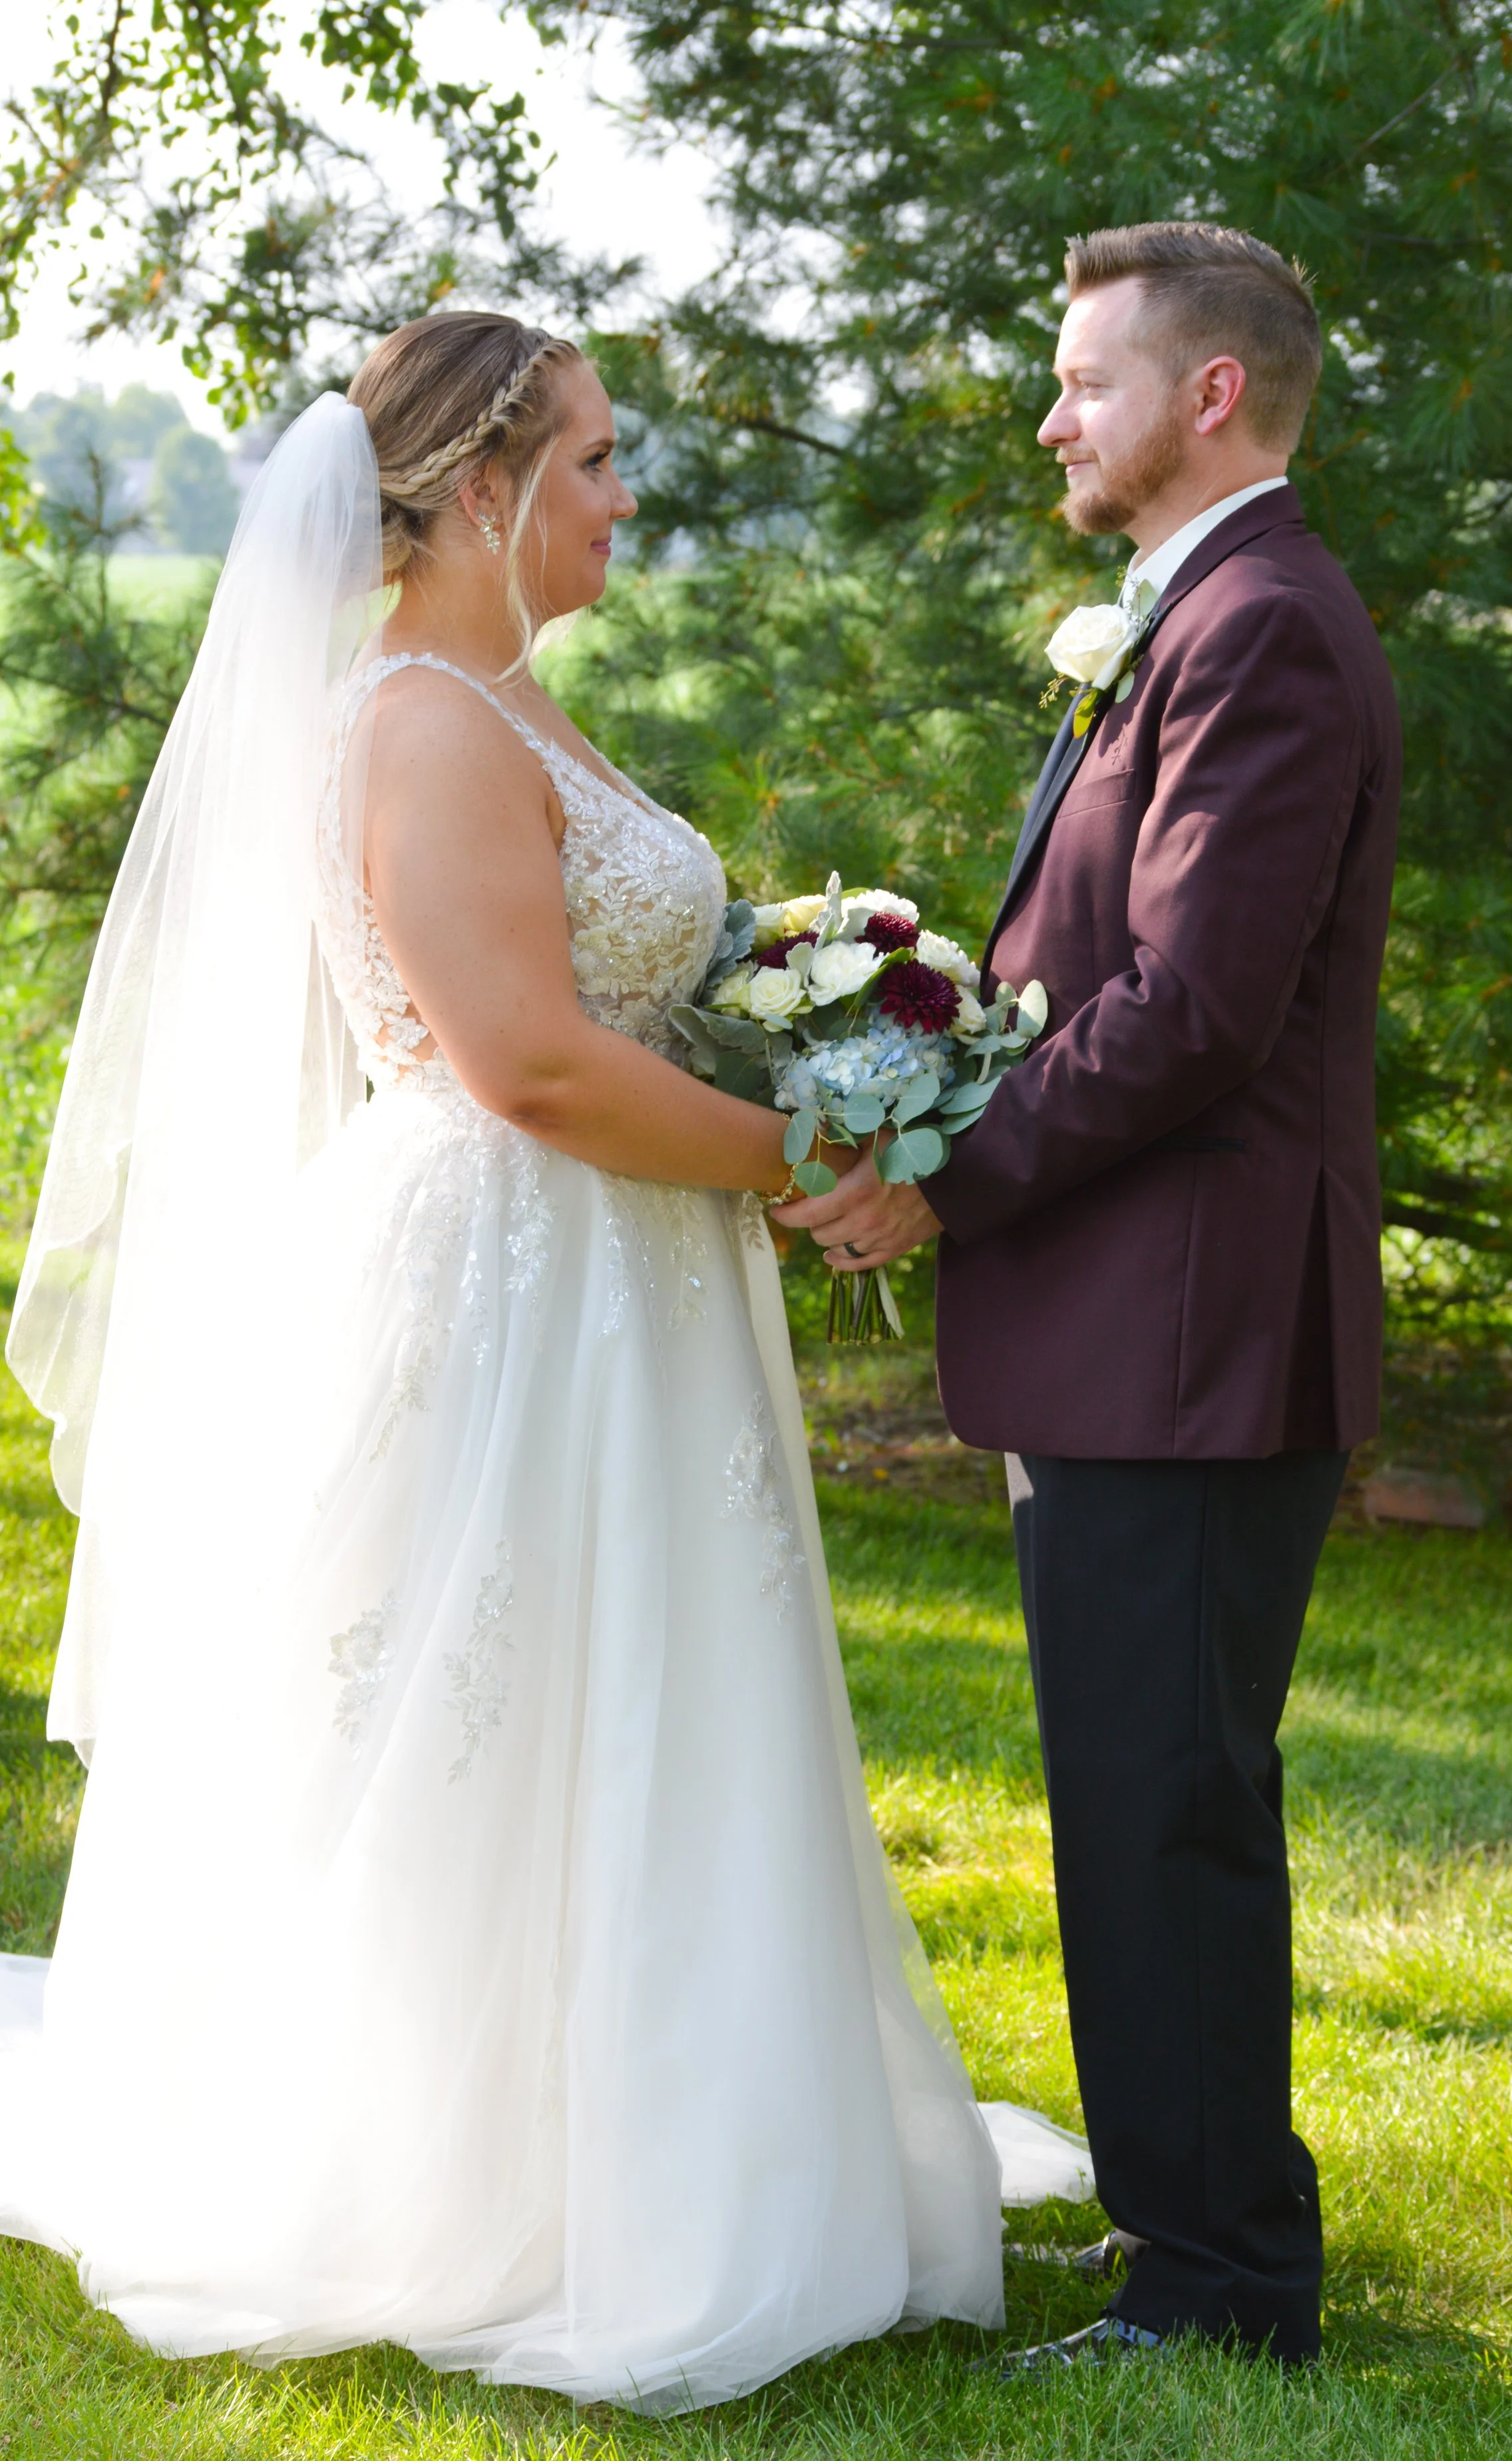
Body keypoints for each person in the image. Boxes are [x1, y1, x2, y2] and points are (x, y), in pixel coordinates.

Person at [0, 312, 1007, 2408]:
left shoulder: (513, 708)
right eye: (603, 459)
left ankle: (661, 2136)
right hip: (508, 1271)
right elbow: (530, 1065)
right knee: (476, 1700)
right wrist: (801, 1162)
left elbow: (620, 999)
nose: (630, 495)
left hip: (615, 1276)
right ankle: (458, 2171)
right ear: (484, 486)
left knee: (630, 1693)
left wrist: (843, 1019)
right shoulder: (420, 727)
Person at [777, 223, 1402, 2366]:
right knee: (1138, 1794)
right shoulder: (1198, 615)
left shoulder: (1266, 632)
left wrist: (946, 1180)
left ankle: (1224, 2283)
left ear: (1207, 395)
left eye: (1085, 383)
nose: (1054, 418)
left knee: (1165, 1809)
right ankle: (1182, 2231)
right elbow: (1097, 974)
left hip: (1198, 1334)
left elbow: (1196, 1013)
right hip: (1140, 1326)